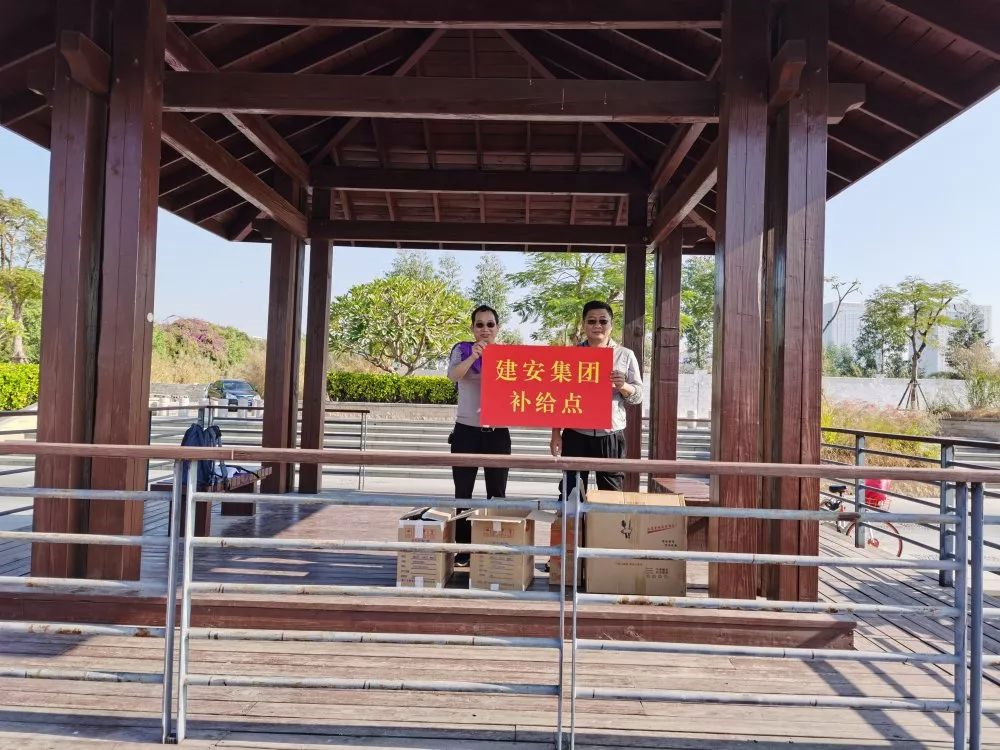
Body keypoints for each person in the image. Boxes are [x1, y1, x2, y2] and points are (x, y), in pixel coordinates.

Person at [550, 300, 643, 498]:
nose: (597, 325)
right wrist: (556, 433)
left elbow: (638, 396)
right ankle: (572, 519)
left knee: (611, 493)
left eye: (603, 321)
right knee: (571, 491)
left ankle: (605, 520)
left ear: (611, 324)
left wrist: (623, 386)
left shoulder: (625, 355)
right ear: (584, 325)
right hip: (575, 432)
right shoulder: (570, 356)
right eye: (591, 321)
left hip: (610, 433)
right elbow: (558, 396)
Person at [447, 304, 512, 566]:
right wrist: (473, 356)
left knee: (497, 494)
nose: (485, 329)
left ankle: (494, 546)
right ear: (472, 328)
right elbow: (453, 376)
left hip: (497, 433)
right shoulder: (461, 350)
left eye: (490, 324)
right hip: (466, 431)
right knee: (463, 492)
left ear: (498, 328)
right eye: (480, 324)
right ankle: (464, 549)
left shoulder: (508, 355)